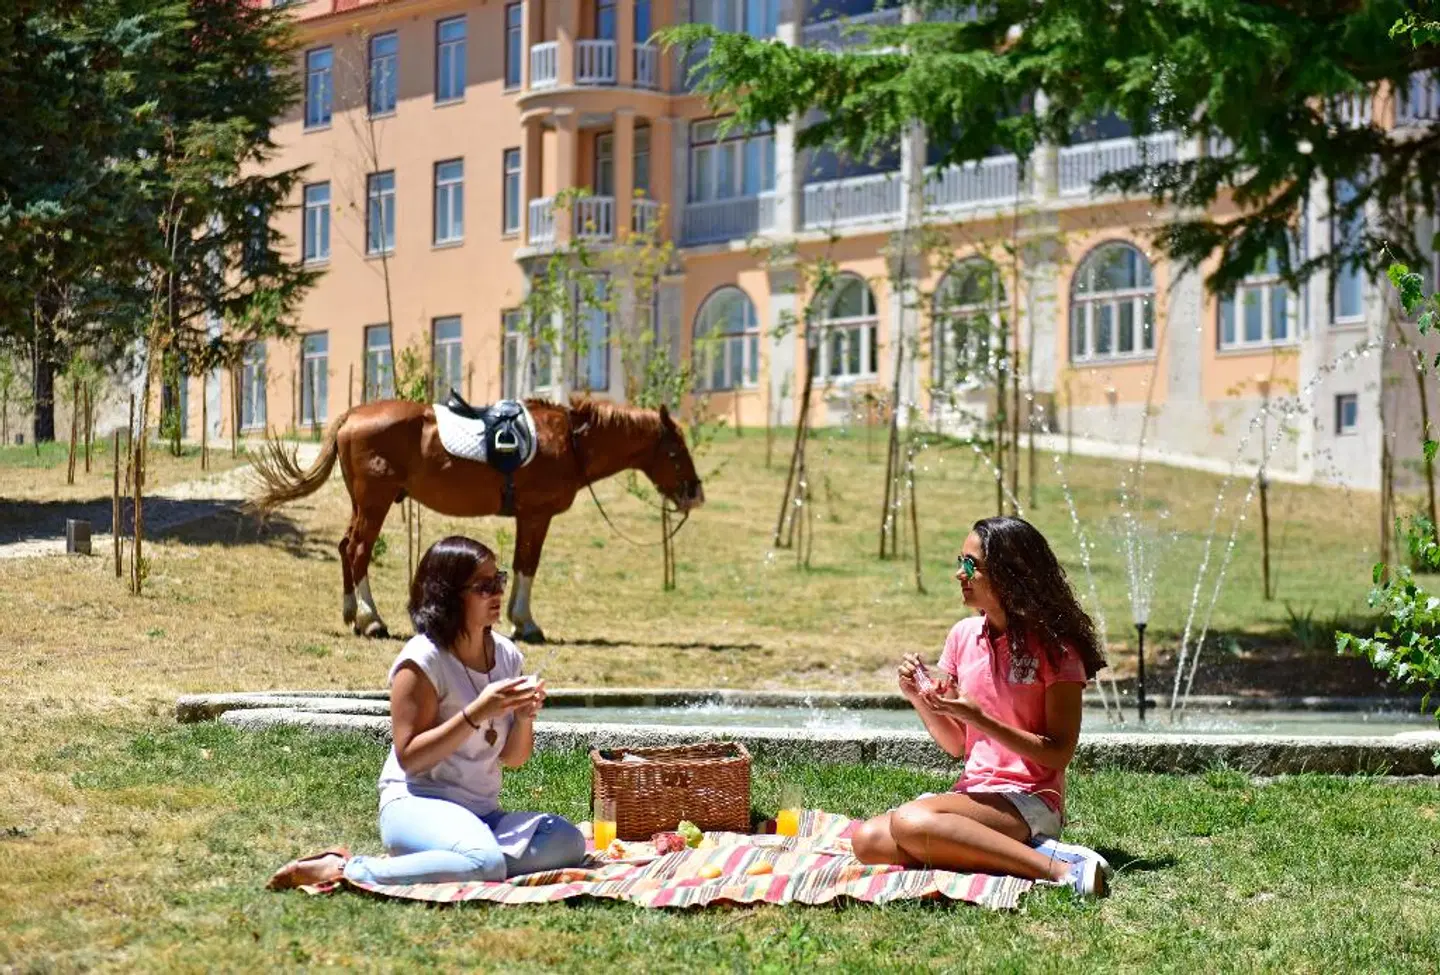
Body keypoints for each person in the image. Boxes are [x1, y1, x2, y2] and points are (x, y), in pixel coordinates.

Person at [268, 535, 585, 890]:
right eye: (484, 586)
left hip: (482, 814)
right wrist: (477, 712)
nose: (497, 592)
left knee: (567, 841)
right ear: (448, 594)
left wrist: (524, 718)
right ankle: (348, 868)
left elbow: (513, 758)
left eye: (499, 580)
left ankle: (454, 862)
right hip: (418, 803)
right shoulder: (422, 660)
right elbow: (410, 759)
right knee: (486, 861)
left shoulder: (507, 656)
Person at [850, 516, 1113, 898]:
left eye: (971, 565)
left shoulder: (1057, 651)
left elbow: (1058, 754)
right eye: (961, 562)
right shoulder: (963, 635)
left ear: (1008, 575)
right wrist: (918, 698)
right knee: (868, 841)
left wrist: (981, 719)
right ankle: (1025, 852)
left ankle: (1063, 870)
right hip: (975, 791)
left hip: (1030, 798)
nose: (960, 573)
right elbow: (958, 745)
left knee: (909, 822)